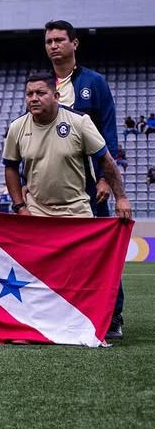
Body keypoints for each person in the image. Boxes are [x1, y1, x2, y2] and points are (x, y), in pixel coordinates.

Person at [44, 19, 124, 336]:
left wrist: (105, 179)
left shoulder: (94, 82)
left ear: (74, 43)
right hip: (52, 185)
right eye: (49, 41)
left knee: (99, 251)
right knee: (53, 252)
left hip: (90, 185)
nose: (53, 46)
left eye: (59, 40)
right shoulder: (41, 83)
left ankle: (112, 315)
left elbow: (109, 134)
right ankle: (60, 313)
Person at [4, 72, 130, 219]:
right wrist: (20, 206)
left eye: (40, 93)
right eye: (29, 94)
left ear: (56, 96)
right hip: (36, 212)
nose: (34, 99)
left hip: (77, 211)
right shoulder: (16, 127)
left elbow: (105, 160)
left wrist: (121, 197)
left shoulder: (80, 122)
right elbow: (10, 167)